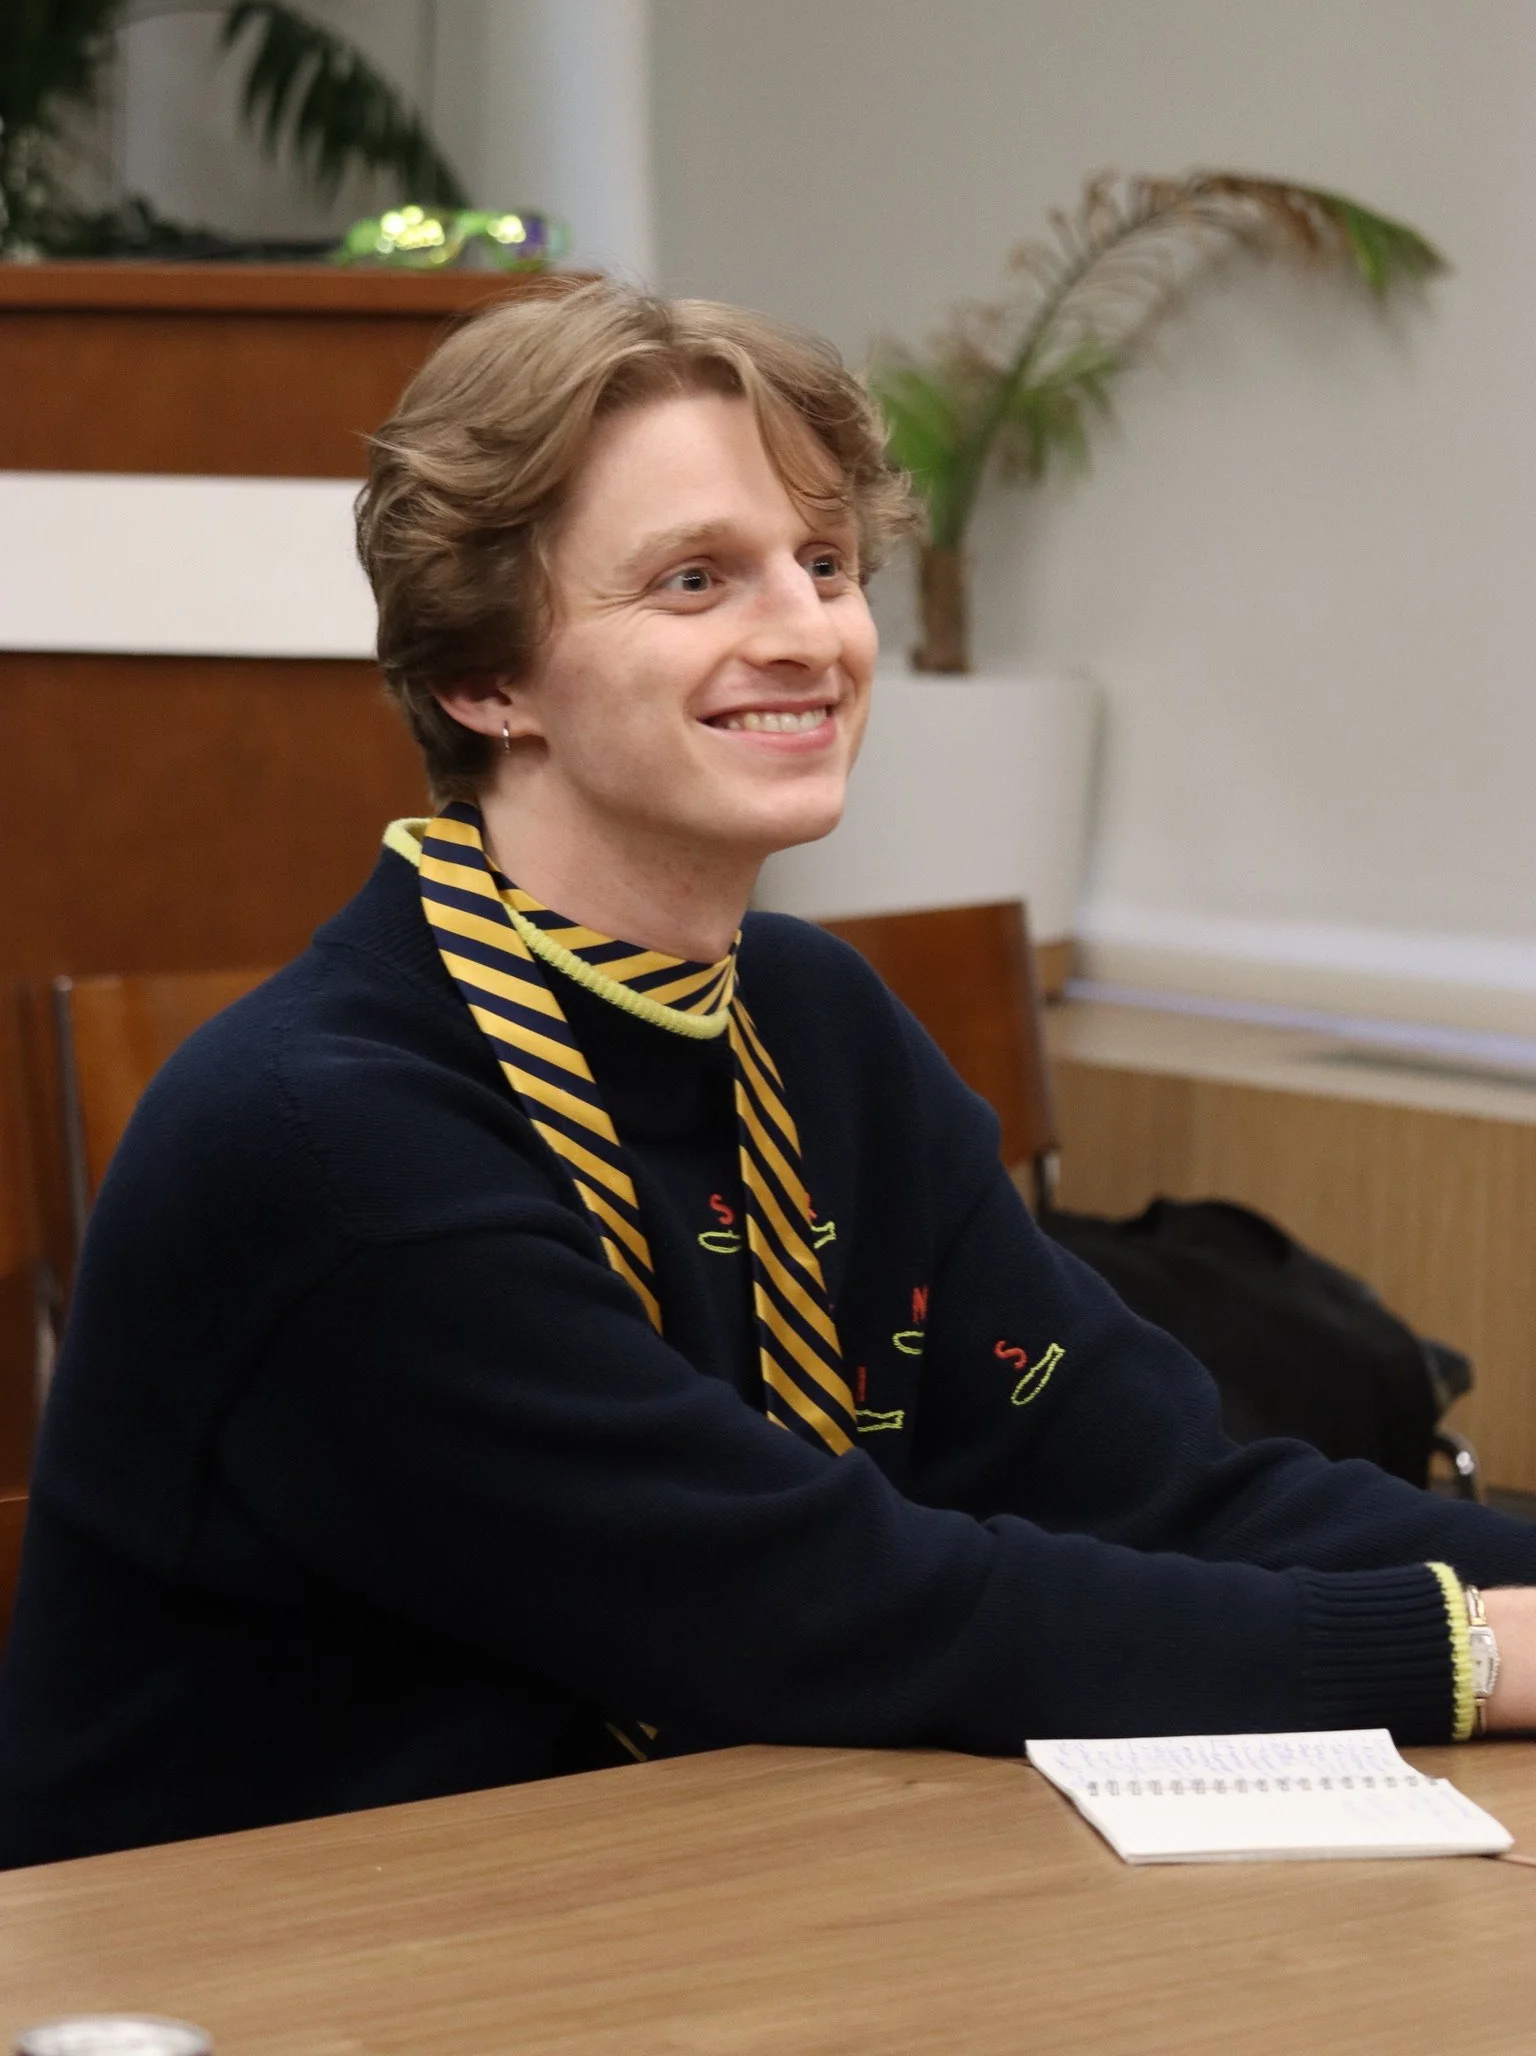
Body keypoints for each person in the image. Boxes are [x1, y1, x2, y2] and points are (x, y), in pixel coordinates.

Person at [0, 280, 1532, 1868]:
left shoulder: (812, 1018)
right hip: (289, 1947)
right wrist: (1465, 1655)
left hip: (696, 1878)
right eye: (695, 579)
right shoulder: (323, 1134)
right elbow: (821, 1608)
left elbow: (1157, 1483)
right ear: (484, 677)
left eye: (825, 564)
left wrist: (1515, 1587)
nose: (808, 632)